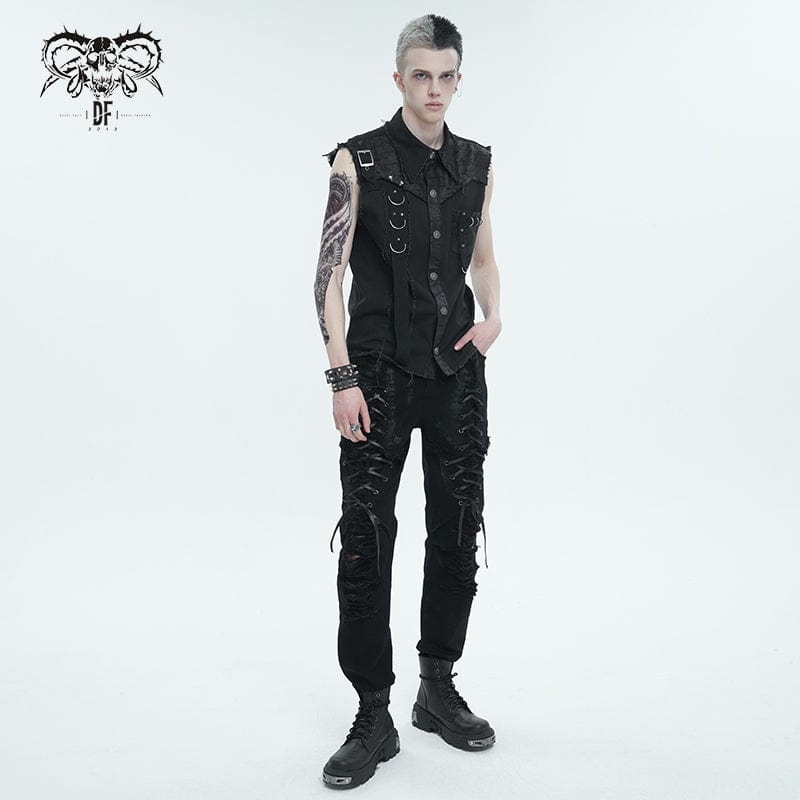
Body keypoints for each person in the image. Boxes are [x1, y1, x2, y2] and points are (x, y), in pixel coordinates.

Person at [313, 13, 502, 789]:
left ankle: (436, 685)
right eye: (420, 75)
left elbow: (483, 258)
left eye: (446, 76)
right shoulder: (355, 159)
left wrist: (495, 316)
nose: (434, 90)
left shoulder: (477, 163)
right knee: (366, 536)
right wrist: (341, 376)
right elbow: (327, 276)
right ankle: (372, 712)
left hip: (456, 371)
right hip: (378, 374)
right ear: (399, 78)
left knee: (457, 527)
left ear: (458, 79)